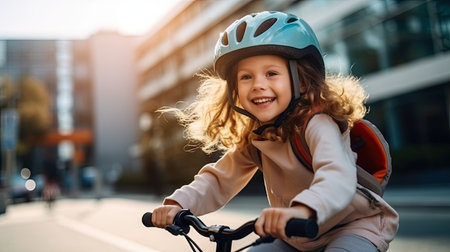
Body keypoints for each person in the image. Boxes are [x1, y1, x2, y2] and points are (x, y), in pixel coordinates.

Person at [150, 11, 398, 252]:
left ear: (300, 81)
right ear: (234, 91)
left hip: (351, 227)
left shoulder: (317, 123)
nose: (258, 85)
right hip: (296, 235)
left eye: (271, 73)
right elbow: (219, 179)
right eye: (246, 77)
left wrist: (303, 210)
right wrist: (178, 204)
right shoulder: (257, 137)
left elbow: (336, 176)